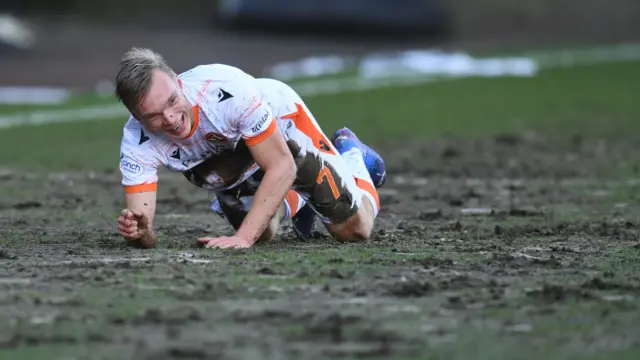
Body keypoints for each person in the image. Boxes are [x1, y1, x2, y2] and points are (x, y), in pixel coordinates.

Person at [115, 47, 386, 249]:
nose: (171, 119)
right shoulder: (136, 142)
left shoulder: (226, 90)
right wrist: (140, 233)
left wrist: (242, 237)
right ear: (137, 118)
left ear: (178, 80)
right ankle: (299, 200)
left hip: (281, 131)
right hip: (228, 159)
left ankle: (352, 155)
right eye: (154, 116)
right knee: (263, 233)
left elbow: (282, 165)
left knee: (354, 230)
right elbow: (144, 227)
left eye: (172, 100)